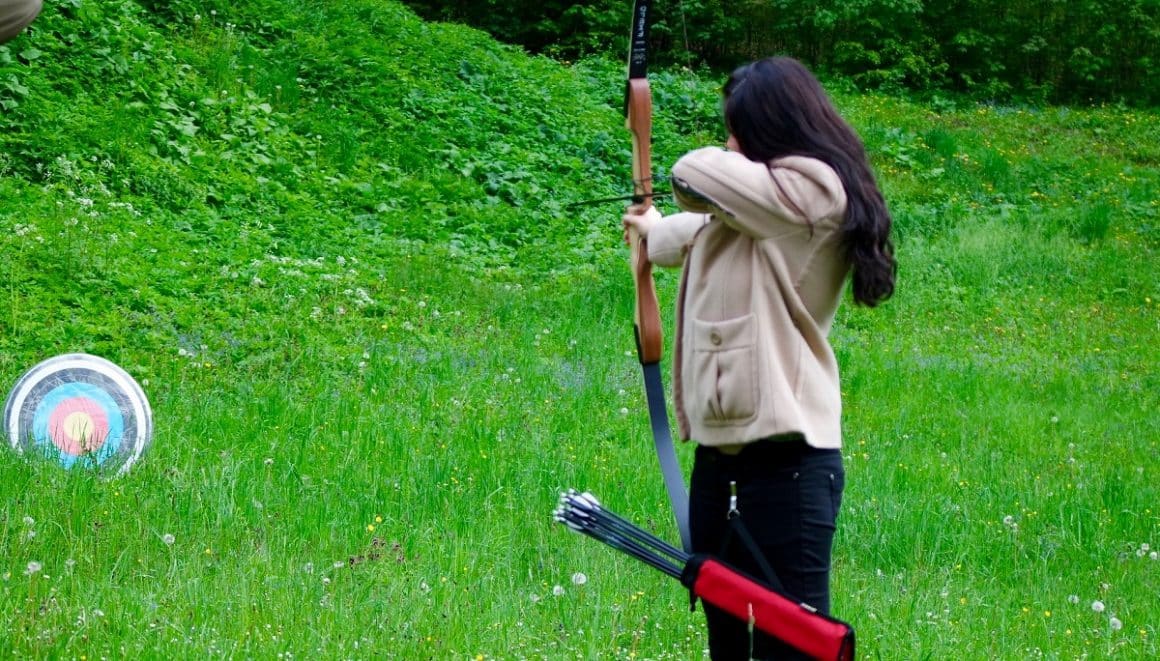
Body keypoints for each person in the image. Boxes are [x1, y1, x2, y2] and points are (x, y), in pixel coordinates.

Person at [622, 56, 896, 660]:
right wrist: (649, 227)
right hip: (721, 470)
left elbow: (692, 172)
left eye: (737, 129)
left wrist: (690, 189)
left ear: (772, 128)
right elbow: (696, 234)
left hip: (790, 470)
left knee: (791, 651)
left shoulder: (814, 191)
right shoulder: (760, 211)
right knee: (727, 648)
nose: (728, 142)